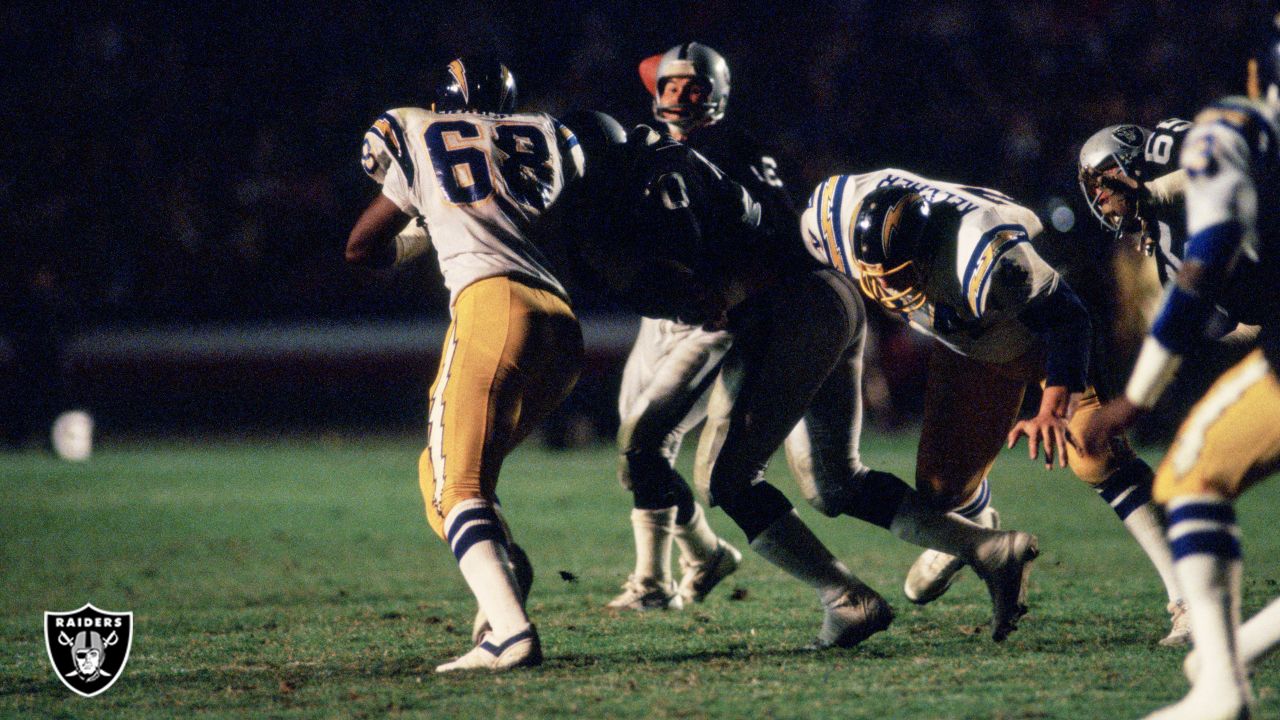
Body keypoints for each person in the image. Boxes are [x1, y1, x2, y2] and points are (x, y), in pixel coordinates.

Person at [551, 113, 1039, 647]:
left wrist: (704, 294)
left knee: (725, 480)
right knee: (835, 483)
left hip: (783, 310)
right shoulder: (675, 163)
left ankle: (845, 598)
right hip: (830, 295)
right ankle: (987, 548)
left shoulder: (613, 206)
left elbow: (703, 297)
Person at [796, 169, 1185, 635]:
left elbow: (1069, 319)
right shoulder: (828, 217)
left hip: (1031, 333)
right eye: (878, 276)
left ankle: (1189, 600)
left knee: (1092, 452)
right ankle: (982, 535)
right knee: (940, 491)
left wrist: (1050, 409)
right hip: (968, 344)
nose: (892, 289)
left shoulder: (985, 252)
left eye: (903, 274)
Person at [347, 56, 584, 673]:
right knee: (441, 471)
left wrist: (417, 235)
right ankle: (505, 569)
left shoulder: (417, 128)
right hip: (560, 325)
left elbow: (360, 247)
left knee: (459, 486)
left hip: (492, 306)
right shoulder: (544, 134)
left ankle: (509, 633)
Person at [1081, 21, 1280, 719]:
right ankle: (1239, 652)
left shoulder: (1225, 128)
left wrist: (1135, 398)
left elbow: (1211, 239)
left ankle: (1223, 688)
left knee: (1191, 476)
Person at [604, 42, 800, 611]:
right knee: (635, 461)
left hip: (712, 321)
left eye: (694, 90)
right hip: (657, 319)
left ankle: (652, 583)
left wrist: (737, 285)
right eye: (669, 88)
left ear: (718, 95)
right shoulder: (652, 144)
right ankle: (705, 556)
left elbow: (784, 233)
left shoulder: (737, 151)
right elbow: (656, 68)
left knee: (644, 444)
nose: (679, 98)